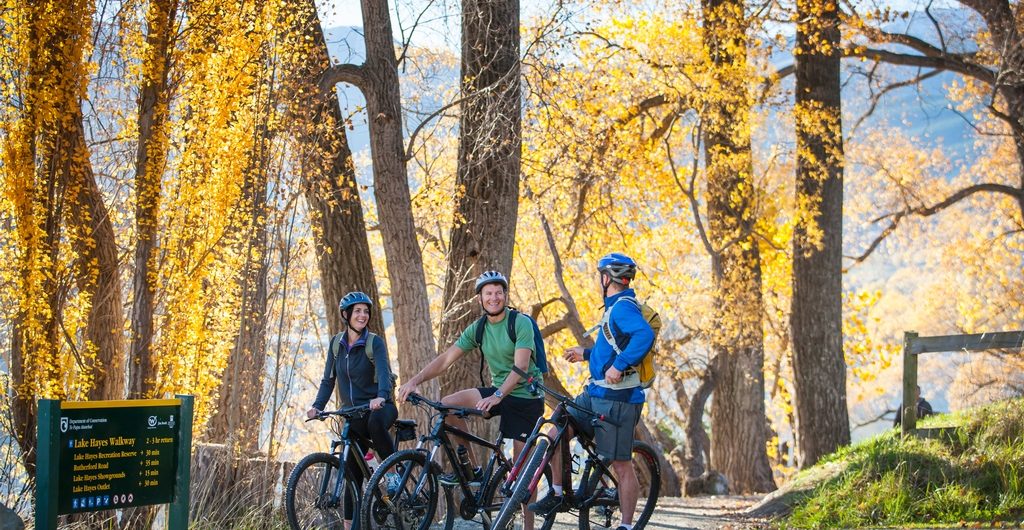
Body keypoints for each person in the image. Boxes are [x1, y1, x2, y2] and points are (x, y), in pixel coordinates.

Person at [397, 270, 544, 530]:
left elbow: (521, 367)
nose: (494, 297)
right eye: (488, 293)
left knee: (520, 473)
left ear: (505, 295)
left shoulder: (519, 322)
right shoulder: (479, 328)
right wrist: (414, 380)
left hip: (524, 397)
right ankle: (473, 469)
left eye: (498, 292)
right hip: (499, 392)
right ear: (480, 299)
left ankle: (529, 526)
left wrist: (498, 395)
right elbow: (445, 360)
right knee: (448, 404)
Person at [529, 253, 654, 530]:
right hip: (594, 394)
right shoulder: (613, 308)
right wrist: (586, 354)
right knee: (557, 428)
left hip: (618, 400)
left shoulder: (622, 308)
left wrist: (620, 365)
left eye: (600, 275)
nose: (599, 280)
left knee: (621, 465)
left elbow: (644, 335)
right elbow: (612, 346)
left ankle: (626, 525)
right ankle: (559, 493)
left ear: (607, 278)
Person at [307, 291, 398, 529]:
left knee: (375, 422)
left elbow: (385, 374)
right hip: (354, 412)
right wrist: (317, 407)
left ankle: (391, 474)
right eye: (357, 311)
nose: (363, 315)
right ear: (346, 315)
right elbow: (328, 380)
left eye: (366, 311)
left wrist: (381, 396)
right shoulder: (337, 345)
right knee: (351, 476)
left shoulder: (373, 342)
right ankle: (350, 527)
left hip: (380, 407)